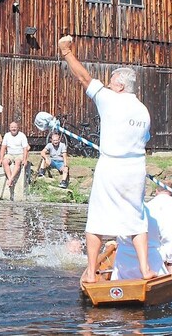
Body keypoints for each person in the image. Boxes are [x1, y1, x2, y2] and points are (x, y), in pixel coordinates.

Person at [58, 34, 156, 283]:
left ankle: (91, 273)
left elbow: (84, 78)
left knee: (97, 219)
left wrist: (66, 52)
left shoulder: (111, 99)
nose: (109, 83)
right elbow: (145, 138)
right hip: (135, 168)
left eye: (112, 80)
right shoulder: (143, 110)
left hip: (112, 165)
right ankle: (145, 270)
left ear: (120, 86)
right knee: (137, 219)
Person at [0, 121, 30, 201]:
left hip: (19, 154)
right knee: (5, 162)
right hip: (10, 154)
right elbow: (3, 147)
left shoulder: (22, 135)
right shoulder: (7, 135)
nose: (13, 129)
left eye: (15, 127)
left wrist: (25, 159)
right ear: (10, 128)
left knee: (18, 162)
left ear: (18, 128)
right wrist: (1, 158)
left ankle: (10, 179)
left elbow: (25, 148)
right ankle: (10, 179)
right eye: (12, 127)